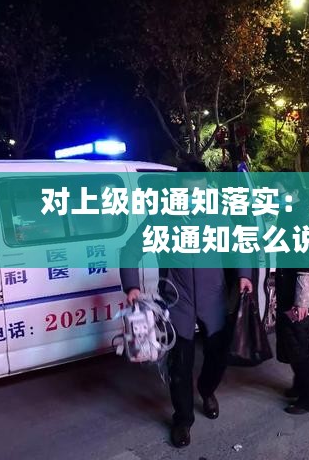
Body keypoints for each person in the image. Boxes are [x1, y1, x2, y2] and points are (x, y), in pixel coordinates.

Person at [119, 160, 253, 448]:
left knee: (217, 357)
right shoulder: (162, 218)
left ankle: (207, 389)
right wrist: (131, 286)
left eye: (200, 191)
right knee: (180, 366)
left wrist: (244, 275)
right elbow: (130, 251)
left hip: (213, 299)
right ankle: (182, 419)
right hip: (177, 301)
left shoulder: (218, 215)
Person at [273, 172, 309, 415]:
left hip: (299, 291)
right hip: (288, 286)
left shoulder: (301, 218)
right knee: (292, 341)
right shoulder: (289, 212)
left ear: (293, 192)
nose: (276, 198)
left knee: (301, 345)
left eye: (279, 194)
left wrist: (301, 302)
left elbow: (305, 261)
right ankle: (300, 386)